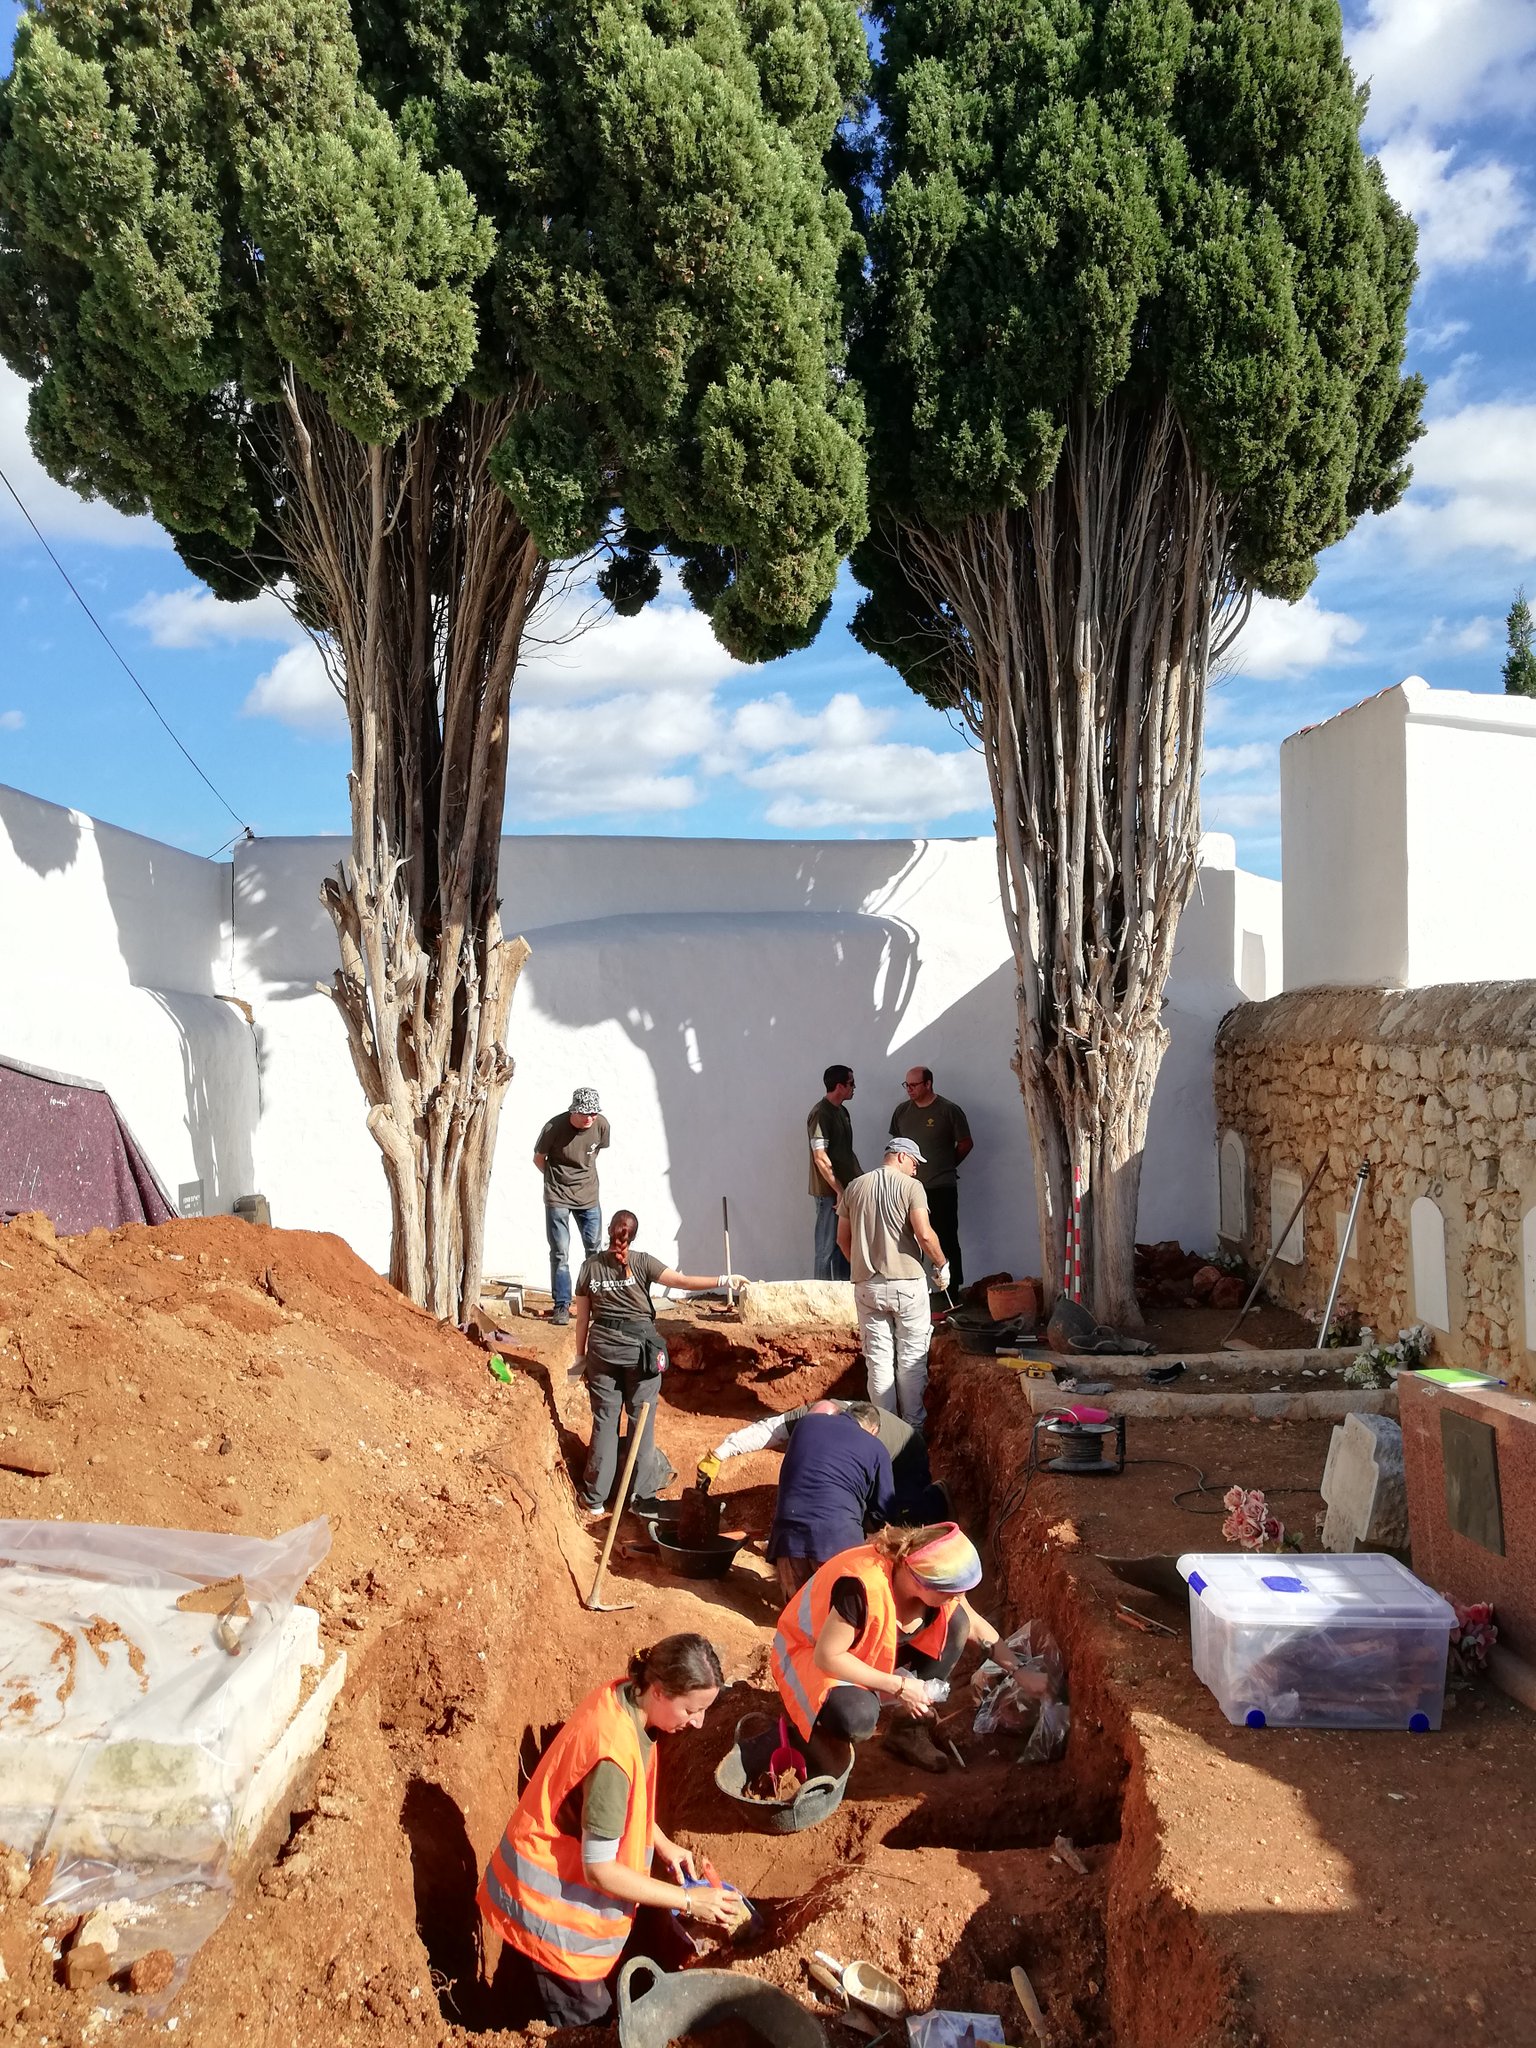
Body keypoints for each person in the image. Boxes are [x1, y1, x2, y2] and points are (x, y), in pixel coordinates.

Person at [478, 1634, 743, 2028]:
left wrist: (664, 1845)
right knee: (590, 2023)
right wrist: (689, 1900)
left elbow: (618, 1809)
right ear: (658, 1691)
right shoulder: (613, 1754)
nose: (698, 1722)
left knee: (521, 1997)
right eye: (692, 1709)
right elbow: (599, 1870)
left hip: (542, 1898)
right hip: (552, 1920)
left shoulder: (623, 1698)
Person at [769, 1522, 1021, 1776]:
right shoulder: (862, 1586)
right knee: (856, 1717)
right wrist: (899, 1687)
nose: (958, 1599)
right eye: (953, 1592)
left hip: (858, 1650)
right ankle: (816, 1730)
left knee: (957, 1624)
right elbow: (827, 1656)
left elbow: (974, 1625)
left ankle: (907, 1732)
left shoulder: (921, 1573)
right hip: (808, 1654)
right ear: (923, 1582)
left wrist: (1021, 1672)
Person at [573, 1210, 744, 1516]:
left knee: (605, 1422)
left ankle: (595, 1498)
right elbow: (682, 1282)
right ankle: (641, 1497)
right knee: (642, 1423)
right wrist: (725, 1279)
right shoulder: (642, 1262)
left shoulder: (589, 1267)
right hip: (640, 1354)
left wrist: (580, 1357)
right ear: (632, 1236)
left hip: (602, 1351)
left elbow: (582, 1319)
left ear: (609, 1231)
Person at [837, 1137, 948, 1428]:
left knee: (878, 1362)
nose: (915, 1170)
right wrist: (941, 1264)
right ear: (900, 1156)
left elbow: (841, 1239)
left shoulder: (854, 1187)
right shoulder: (912, 1188)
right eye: (914, 1163)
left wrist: (861, 1266)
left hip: (867, 1287)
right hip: (907, 1284)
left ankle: (884, 1430)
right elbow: (924, 1234)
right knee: (911, 1360)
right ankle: (913, 1431)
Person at [697, 1399, 945, 1523]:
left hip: (906, 1458)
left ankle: (939, 1500)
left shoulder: (871, 1440)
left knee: (898, 1512)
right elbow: (768, 1430)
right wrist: (719, 1453)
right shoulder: (815, 1414)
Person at [766, 1402, 895, 1600]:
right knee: (834, 1612)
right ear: (873, 1429)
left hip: (788, 1539)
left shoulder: (806, 1424)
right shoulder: (876, 1448)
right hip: (837, 1543)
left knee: (797, 1615)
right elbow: (884, 1510)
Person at [889, 1067, 973, 1291]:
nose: (909, 1089)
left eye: (914, 1085)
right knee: (908, 1237)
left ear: (928, 1084)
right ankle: (912, 1288)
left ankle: (951, 1290)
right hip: (907, 1187)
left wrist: (946, 1165)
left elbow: (965, 1143)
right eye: (906, 1085)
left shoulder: (948, 1110)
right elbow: (897, 1146)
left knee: (945, 1237)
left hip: (940, 1186)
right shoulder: (902, 1112)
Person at [534, 1088, 611, 1325]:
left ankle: (596, 1304)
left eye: (594, 1113)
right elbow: (539, 1158)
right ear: (574, 1111)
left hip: (588, 1197)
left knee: (594, 1251)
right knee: (560, 1252)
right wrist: (556, 1180)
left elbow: (596, 1151)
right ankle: (561, 1306)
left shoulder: (602, 1125)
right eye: (585, 1113)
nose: (590, 1118)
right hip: (558, 1195)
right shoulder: (553, 1128)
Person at [807, 1063, 860, 1281]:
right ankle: (820, 1299)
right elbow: (820, 1157)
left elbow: (845, 1152)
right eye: (851, 1083)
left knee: (843, 1244)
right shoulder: (821, 1114)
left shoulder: (842, 1111)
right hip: (830, 1193)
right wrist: (837, 1189)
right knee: (826, 1247)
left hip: (846, 1189)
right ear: (839, 1086)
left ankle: (842, 1293)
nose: (854, 1087)